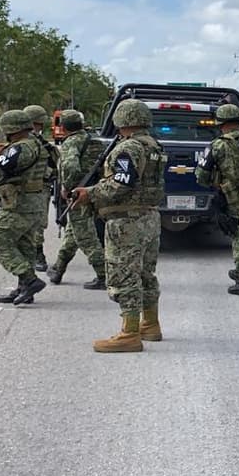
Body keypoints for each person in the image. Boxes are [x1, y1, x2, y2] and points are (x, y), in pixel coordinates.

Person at [72, 99, 165, 353]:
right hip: (149, 216)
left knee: (124, 274)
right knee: (146, 273)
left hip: (127, 221)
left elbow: (121, 183)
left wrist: (89, 193)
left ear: (121, 120)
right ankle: (150, 324)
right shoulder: (153, 145)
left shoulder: (129, 148)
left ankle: (129, 333)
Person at [195, 103, 239, 296]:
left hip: (233, 198)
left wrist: (216, 185)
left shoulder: (218, 145)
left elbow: (201, 175)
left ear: (220, 123)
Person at [0, 110, 48, 305]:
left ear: (10, 129)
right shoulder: (35, 143)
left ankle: (29, 280)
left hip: (19, 205)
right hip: (33, 202)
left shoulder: (20, 148)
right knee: (24, 245)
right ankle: (24, 289)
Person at [47, 110, 106, 290]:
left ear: (62, 127)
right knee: (73, 233)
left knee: (85, 237)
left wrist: (67, 187)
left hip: (78, 193)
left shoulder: (71, 142)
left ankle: (104, 274)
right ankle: (58, 268)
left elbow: (71, 165)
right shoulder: (93, 140)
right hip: (92, 191)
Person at [22, 105, 59, 272]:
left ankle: (37, 254)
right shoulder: (25, 143)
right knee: (31, 223)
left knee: (37, 223)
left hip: (39, 187)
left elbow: (54, 165)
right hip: (25, 188)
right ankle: (32, 254)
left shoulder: (42, 144)